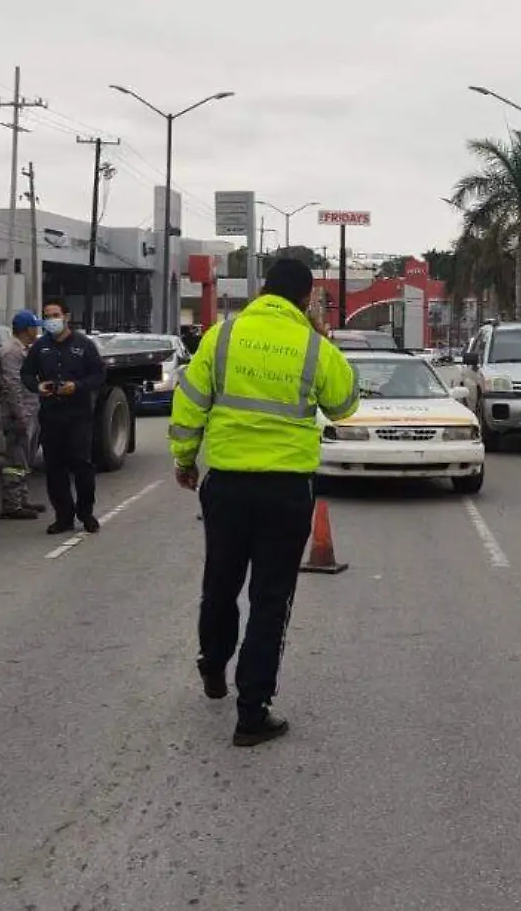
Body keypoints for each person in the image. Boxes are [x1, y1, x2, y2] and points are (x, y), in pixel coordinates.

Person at [169, 258, 358, 747]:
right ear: (304, 297)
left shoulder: (222, 336)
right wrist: (322, 338)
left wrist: (185, 460)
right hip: (286, 490)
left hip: (227, 484)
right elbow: (344, 404)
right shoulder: (313, 345)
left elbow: (190, 402)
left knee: (220, 582)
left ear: (263, 291)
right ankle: (252, 712)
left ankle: (213, 665)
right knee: (270, 599)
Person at [20, 298, 107, 536]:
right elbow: (26, 374)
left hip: (78, 415)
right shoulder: (40, 347)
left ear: (66, 317)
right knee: (55, 468)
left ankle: (86, 512)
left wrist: (77, 386)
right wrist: (38, 386)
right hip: (51, 415)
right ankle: (63, 516)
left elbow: (98, 375)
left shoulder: (83, 345)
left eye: (55, 315)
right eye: (47, 316)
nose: (51, 320)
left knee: (82, 465)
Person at [0, 310, 48, 521]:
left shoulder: (23, 349)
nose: (37, 330)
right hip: (19, 415)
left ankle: (22, 499)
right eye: (35, 326)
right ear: (27, 329)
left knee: (24, 460)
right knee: (15, 461)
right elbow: (12, 385)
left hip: (28, 411)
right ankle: (12, 504)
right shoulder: (12, 351)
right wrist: (19, 415)